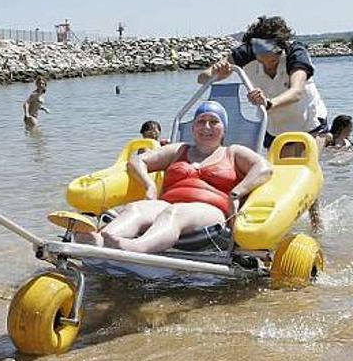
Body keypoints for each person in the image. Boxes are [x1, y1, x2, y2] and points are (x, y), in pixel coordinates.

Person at [78, 101, 272, 253]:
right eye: (201, 122)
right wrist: (149, 185)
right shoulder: (179, 150)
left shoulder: (233, 152)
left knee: (174, 214)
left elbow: (264, 168)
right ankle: (102, 239)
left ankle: (136, 248)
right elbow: (137, 162)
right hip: (167, 203)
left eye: (214, 122)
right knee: (136, 208)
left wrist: (237, 193)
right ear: (193, 128)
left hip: (211, 210)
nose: (207, 127)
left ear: (224, 129)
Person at [198, 16, 327, 229]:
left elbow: (295, 92)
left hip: (308, 124)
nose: (267, 60)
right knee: (280, 178)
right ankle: (281, 222)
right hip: (276, 128)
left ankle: (317, 223)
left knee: (305, 171)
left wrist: (268, 103)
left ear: (280, 48)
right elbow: (202, 78)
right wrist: (216, 71)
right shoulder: (246, 53)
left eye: (273, 56)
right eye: (262, 55)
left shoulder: (296, 53)